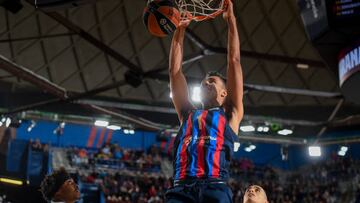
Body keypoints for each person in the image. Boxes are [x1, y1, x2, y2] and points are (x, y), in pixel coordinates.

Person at [165, 0, 243, 202]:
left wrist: (231, 21)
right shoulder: (187, 113)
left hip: (214, 186)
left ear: (225, 93)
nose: (205, 84)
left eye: (212, 81)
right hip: (181, 186)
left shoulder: (231, 112)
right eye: (203, 82)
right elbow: (175, 72)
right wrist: (180, 30)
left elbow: (233, 60)